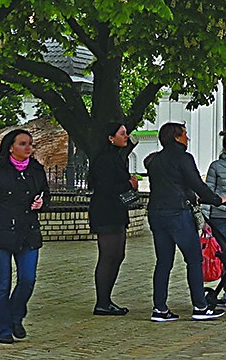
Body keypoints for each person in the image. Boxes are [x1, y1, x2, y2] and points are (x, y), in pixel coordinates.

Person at [0, 127, 51, 344]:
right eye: (23, 144)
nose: (28, 147)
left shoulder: (36, 170)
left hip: (28, 233)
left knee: (28, 279)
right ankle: (4, 329)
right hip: (1, 233)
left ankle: (16, 316)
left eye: (30, 144)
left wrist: (41, 203)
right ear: (11, 148)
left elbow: (46, 194)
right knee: (2, 283)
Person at [141, 123, 223, 323]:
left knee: (163, 262)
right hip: (178, 212)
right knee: (194, 260)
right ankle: (200, 306)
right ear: (176, 137)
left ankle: (159, 308)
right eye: (185, 134)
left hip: (156, 213)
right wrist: (216, 200)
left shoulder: (155, 160)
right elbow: (196, 184)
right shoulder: (184, 158)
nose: (188, 138)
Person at [86, 122, 138, 317]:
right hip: (106, 212)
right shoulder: (105, 160)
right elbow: (106, 187)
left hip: (115, 211)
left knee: (118, 255)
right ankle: (102, 302)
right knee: (108, 255)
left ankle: (106, 300)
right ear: (110, 137)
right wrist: (128, 183)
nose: (126, 137)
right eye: (122, 134)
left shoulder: (116, 157)